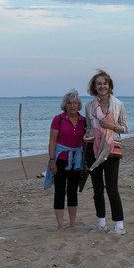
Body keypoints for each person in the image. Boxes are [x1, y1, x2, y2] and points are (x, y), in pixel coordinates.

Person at [83, 69, 128, 235]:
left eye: (105, 83)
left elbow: (126, 128)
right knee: (96, 189)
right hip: (93, 150)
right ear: (94, 87)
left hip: (111, 149)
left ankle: (119, 225)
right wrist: (88, 136)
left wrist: (112, 127)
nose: (102, 86)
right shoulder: (89, 106)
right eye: (99, 84)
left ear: (109, 86)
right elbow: (88, 127)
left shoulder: (118, 104)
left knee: (112, 188)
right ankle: (101, 223)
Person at [45, 89, 86, 230]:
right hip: (60, 160)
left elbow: (86, 142)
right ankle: (60, 225)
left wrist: (85, 163)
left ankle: (73, 224)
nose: (72, 105)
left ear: (79, 105)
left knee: (73, 192)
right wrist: (51, 160)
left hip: (76, 162)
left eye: (75, 102)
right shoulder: (59, 119)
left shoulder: (83, 121)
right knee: (60, 192)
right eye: (69, 103)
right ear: (65, 105)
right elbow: (52, 141)